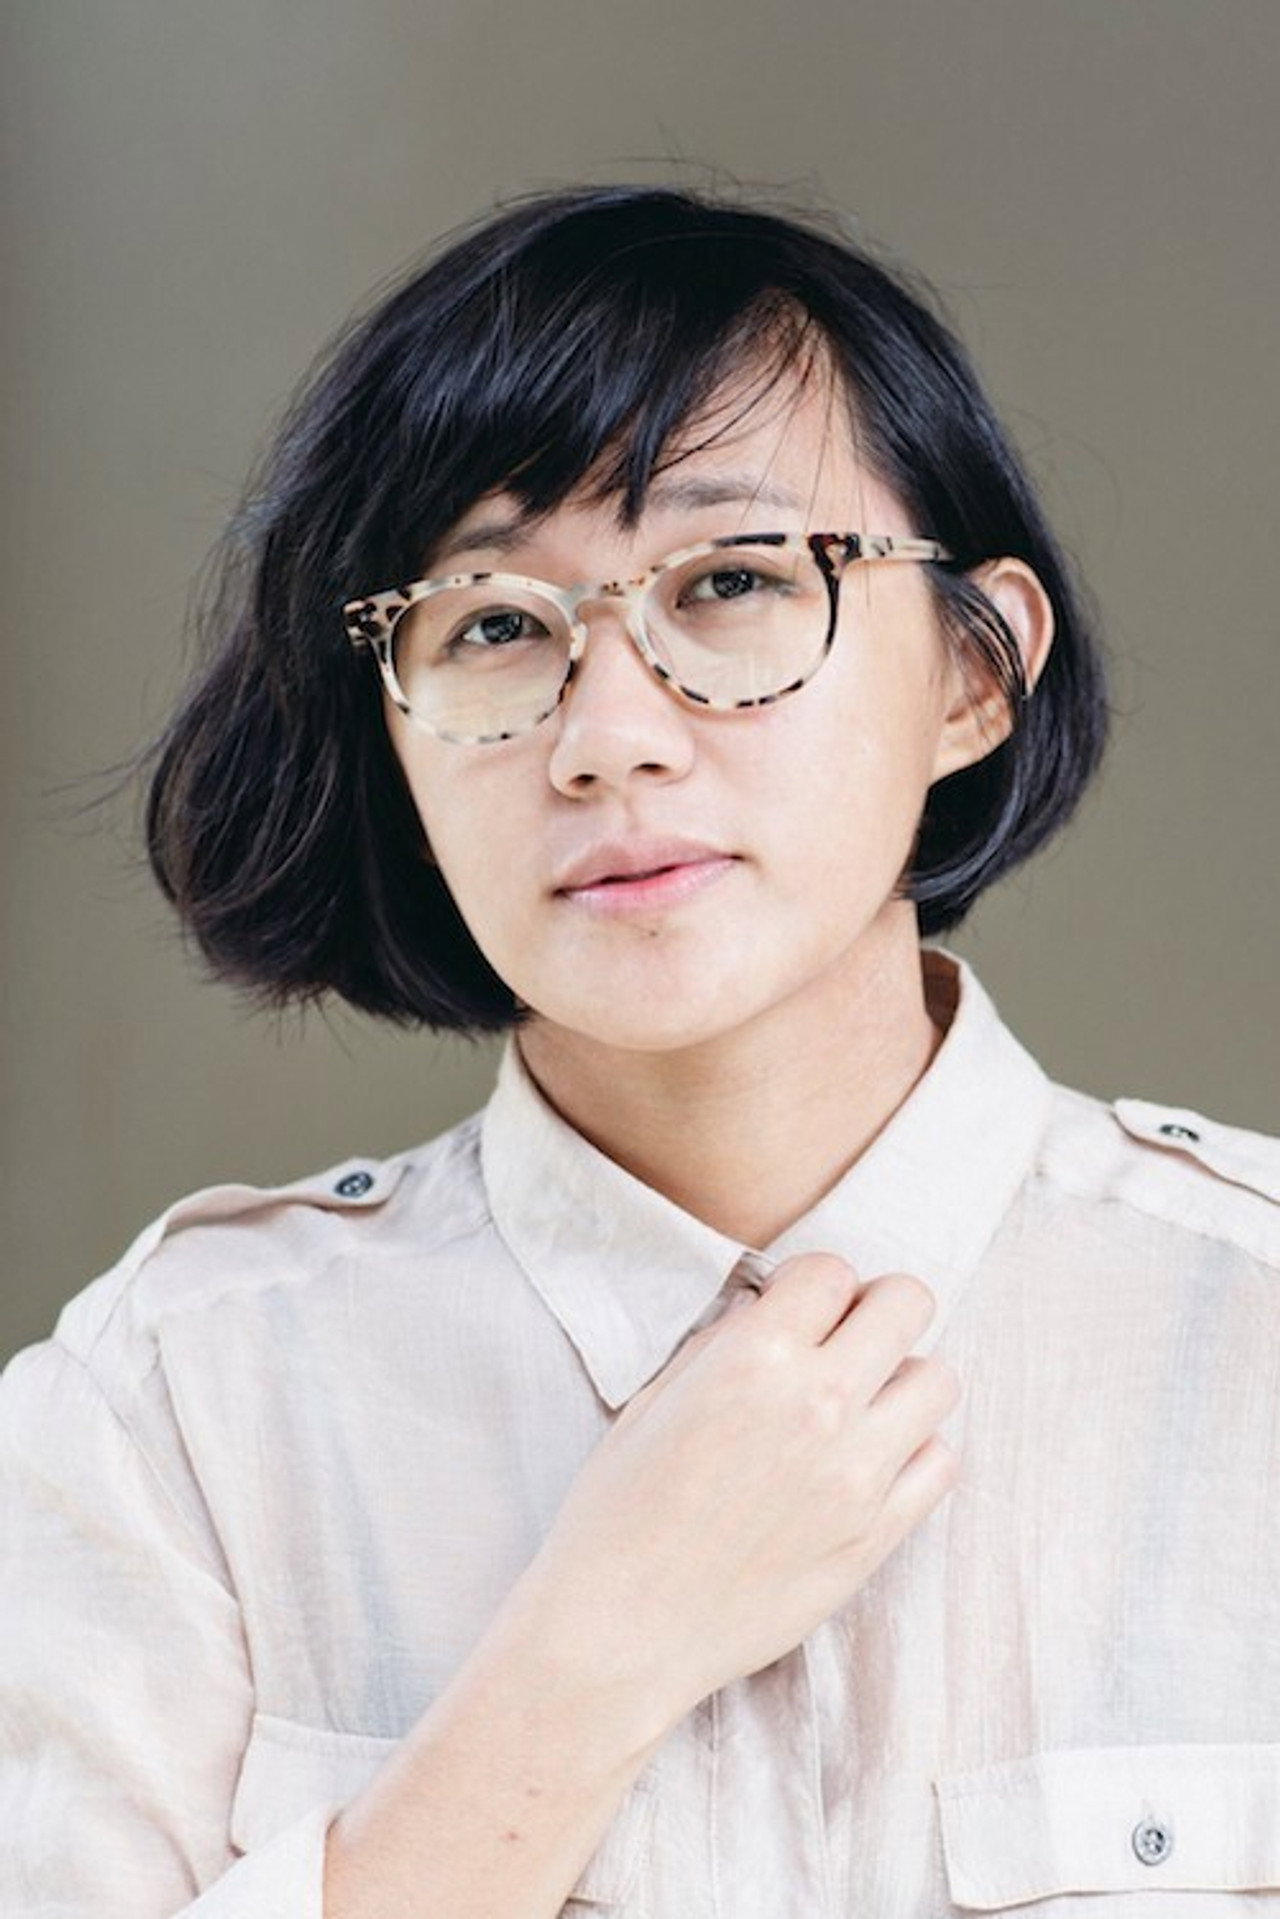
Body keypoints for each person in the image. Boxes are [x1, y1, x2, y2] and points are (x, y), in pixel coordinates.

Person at [1, 184, 1276, 1919]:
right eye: (493, 624)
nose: (607, 738)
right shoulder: (174, 1408)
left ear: (975, 675)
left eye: (733, 583)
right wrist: (591, 1660)